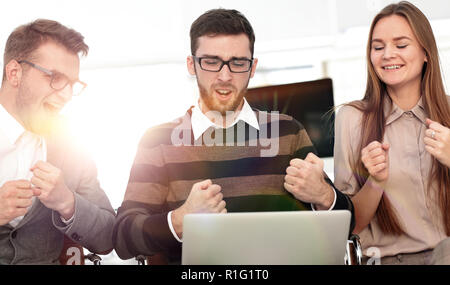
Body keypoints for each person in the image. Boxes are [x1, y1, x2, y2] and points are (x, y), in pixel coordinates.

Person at [114, 8, 354, 264]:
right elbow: (122, 238)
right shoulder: (158, 141)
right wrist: (181, 219)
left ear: (252, 68)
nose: (225, 76)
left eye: (238, 63)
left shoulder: (289, 132)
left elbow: (347, 224)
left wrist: (324, 196)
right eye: (211, 61)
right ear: (191, 65)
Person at [334, 1, 450, 265]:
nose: (387, 54)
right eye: (378, 47)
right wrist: (375, 180)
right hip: (388, 259)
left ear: (425, 52)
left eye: (401, 45)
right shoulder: (352, 119)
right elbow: (349, 226)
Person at [0, 19, 115, 264]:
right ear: (14, 73)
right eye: (54, 77)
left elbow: (107, 237)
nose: (65, 96)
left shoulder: (72, 143)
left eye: (72, 85)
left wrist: (68, 202)